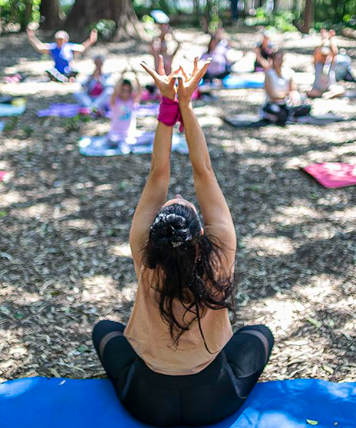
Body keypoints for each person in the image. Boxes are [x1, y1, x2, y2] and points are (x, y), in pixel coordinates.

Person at [92, 58, 274, 427]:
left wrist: (167, 104)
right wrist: (185, 105)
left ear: (157, 236)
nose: (176, 195)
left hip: (146, 402)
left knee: (103, 331)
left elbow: (158, 174)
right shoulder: (219, 251)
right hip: (214, 399)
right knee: (260, 334)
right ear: (200, 234)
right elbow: (202, 170)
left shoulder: (145, 254)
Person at [27, 28, 98, 83]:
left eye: (61, 39)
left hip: (68, 71)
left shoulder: (69, 47)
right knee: (50, 71)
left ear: (65, 40)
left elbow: (82, 48)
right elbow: (40, 47)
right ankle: (62, 79)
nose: (60, 41)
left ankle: (66, 79)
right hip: (57, 71)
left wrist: (91, 40)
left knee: (76, 70)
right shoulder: (53, 47)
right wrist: (31, 37)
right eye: (58, 39)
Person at [262, 50, 309, 125]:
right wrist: (286, 94)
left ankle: (290, 116)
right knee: (280, 114)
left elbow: (293, 89)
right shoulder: (269, 74)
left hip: (286, 104)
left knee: (305, 108)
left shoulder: (288, 72)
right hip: (274, 104)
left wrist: (293, 97)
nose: (279, 61)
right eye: (277, 59)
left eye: (281, 59)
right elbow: (272, 96)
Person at [107, 67, 144, 151]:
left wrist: (136, 76)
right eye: (123, 90)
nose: (125, 92)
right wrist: (121, 76)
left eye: (128, 90)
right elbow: (115, 91)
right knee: (113, 141)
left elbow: (140, 91)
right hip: (115, 133)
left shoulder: (132, 102)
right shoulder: (115, 101)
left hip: (129, 134)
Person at [307, 29, 344, 99]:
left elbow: (334, 53)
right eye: (323, 56)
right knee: (310, 92)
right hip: (317, 89)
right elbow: (316, 52)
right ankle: (325, 95)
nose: (325, 58)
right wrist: (323, 40)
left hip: (330, 87)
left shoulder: (331, 64)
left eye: (326, 56)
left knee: (341, 89)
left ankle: (327, 95)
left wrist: (331, 39)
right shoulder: (317, 64)